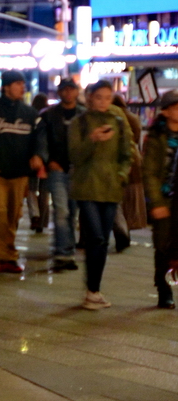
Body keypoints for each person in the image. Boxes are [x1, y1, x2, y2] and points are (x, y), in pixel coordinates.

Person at [68, 80, 133, 310]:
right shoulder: (79, 122)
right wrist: (92, 140)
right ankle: (91, 290)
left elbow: (127, 153)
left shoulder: (117, 122)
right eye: (99, 97)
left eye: (108, 97)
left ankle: (93, 290)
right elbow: (74, 155)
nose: (104, 102)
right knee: (95, 237)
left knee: (103, 241)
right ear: (89, 97)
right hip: (86, 187)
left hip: (111, 188)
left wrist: (121, 175)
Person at [0, 70, 42, 273]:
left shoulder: (29, 113)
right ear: (6, 86)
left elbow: (38, 139)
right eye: (17, 83)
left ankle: (8, 253)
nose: (22, 87)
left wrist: (37, 155)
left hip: (20, 173)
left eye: (23, 83)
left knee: (13, 215)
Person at [35, 79, 84, 271]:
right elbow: (43, 139)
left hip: (77, 170)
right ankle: (62, 253)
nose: (68, 93)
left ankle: (66, 249)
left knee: (71, 213)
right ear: (60, 92)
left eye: (71, 89)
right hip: (57, 169)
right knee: (62, 211)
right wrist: (47, 160)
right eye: (65, 90)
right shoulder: (49, 115)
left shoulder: (83, 115)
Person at [141, 90, 178, 309]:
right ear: (165, 112)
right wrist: (156, 202)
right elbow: (150, 173)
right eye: (175, 107)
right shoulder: (156, 138)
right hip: (164, 199)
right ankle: (162, 287)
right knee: (163, 246)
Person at [110, 95, 146, 252]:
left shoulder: (115, 117)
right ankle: (126, 229)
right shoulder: (133, 117)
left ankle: (122, 231)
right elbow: (136, 139)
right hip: (133, 164)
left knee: (117, 202)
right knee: (130, 202)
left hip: (118, 163)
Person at [26, 93, 51, 235]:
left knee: (31, 189)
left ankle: (34, 215)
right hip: (45, 159)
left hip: (31, 158)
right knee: (44, 192)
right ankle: (42, 220)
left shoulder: (31, 116)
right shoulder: (48, 115)